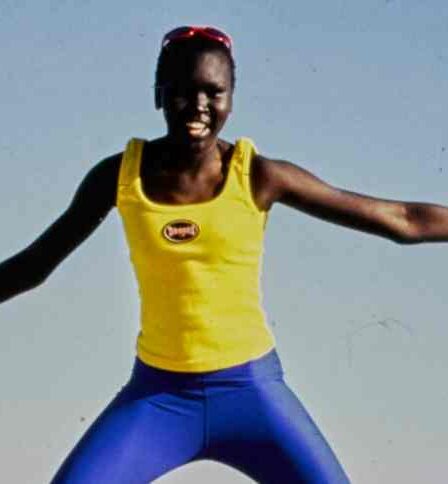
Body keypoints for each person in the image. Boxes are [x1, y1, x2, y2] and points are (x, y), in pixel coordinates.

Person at [1, 25, 448, 484]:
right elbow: (35, 265)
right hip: (157, 398)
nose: (199, 105)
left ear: (231, 99)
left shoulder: (258, 176)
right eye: (183, 91)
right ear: (158, 94)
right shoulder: (119, 177)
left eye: (214, 92)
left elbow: (403, 220)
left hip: (251, 393)